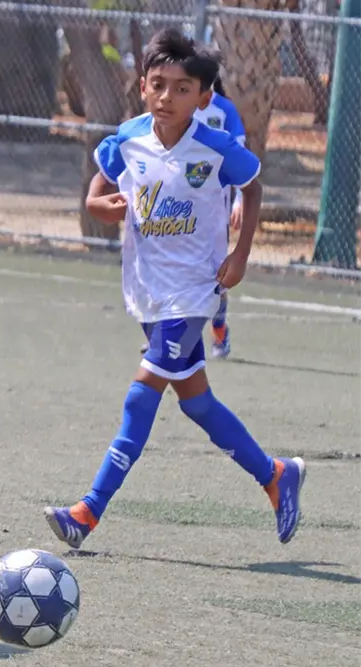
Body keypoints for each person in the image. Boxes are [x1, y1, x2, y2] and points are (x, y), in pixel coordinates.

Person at [44, 29, 305, 550]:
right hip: (147, 288)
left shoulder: (213, 144)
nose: (167, 96)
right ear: (142, 86)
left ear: (203, 97)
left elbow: (251, 188)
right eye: (158, 84)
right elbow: (99, 188)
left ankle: (87, 512)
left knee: (142, 395)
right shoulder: (129, 137)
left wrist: (241, 254)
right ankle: (275, 474)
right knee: (196, 403)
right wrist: (97, 206)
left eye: (182, 88)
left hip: (194, 290)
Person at [192, 71, 247, 359]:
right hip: (181, 205)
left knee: (216, 275)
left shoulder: (224, 110)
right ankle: (165, 337)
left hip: (215, 208)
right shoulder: (180, 106)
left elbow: (240, 157)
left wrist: (239, 199)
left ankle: (219, 331)